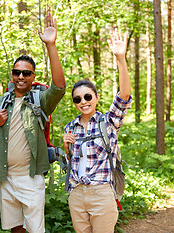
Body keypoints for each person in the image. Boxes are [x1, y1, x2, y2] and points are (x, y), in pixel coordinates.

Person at [0, 12, 66, 233]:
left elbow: (59, 87)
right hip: (6, 177)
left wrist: (51, 45)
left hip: (31, 177)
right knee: (15, 227)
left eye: (26, 73)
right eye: (16, 72)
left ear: (33, 77)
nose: (20, 76)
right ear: (11, 75)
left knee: (35, 228)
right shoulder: (0, 102)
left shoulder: (40, 100)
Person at [62, 28, 132, 233]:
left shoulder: (108, 121)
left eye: (87, 97)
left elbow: (124, 96)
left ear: (96, 97)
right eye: (78, 99)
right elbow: (71, 162)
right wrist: (65, 146)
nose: (83, 102)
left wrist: (120, 58)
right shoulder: (70, 126)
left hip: (102, 192)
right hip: (76, 193)